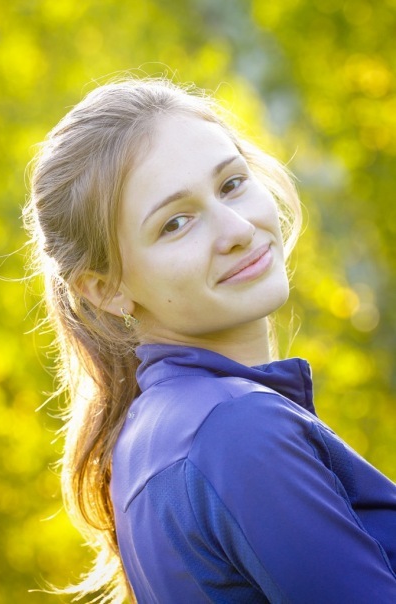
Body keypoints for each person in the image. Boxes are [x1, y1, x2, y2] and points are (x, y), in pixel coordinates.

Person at [24, 77, 396, 604]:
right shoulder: (238, 432)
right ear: (106, 289)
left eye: (231, 184)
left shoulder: (155, 435)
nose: (237, 229)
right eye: (176, 223)